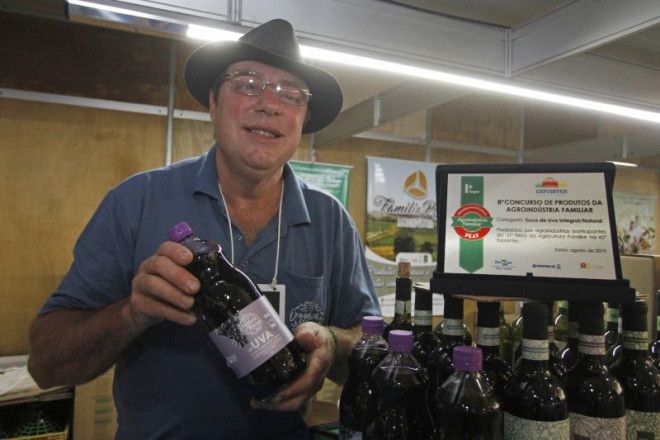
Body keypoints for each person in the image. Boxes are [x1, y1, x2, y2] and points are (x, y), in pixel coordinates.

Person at [27, 19, 380, 439]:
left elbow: (373, 348)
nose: (270, 104)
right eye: (248, 83)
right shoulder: (136, 202)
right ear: (213, 103)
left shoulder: (330, 220)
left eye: (291, 94)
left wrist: (332, 344)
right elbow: (46, 365)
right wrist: (132, 313)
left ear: (302, 119)